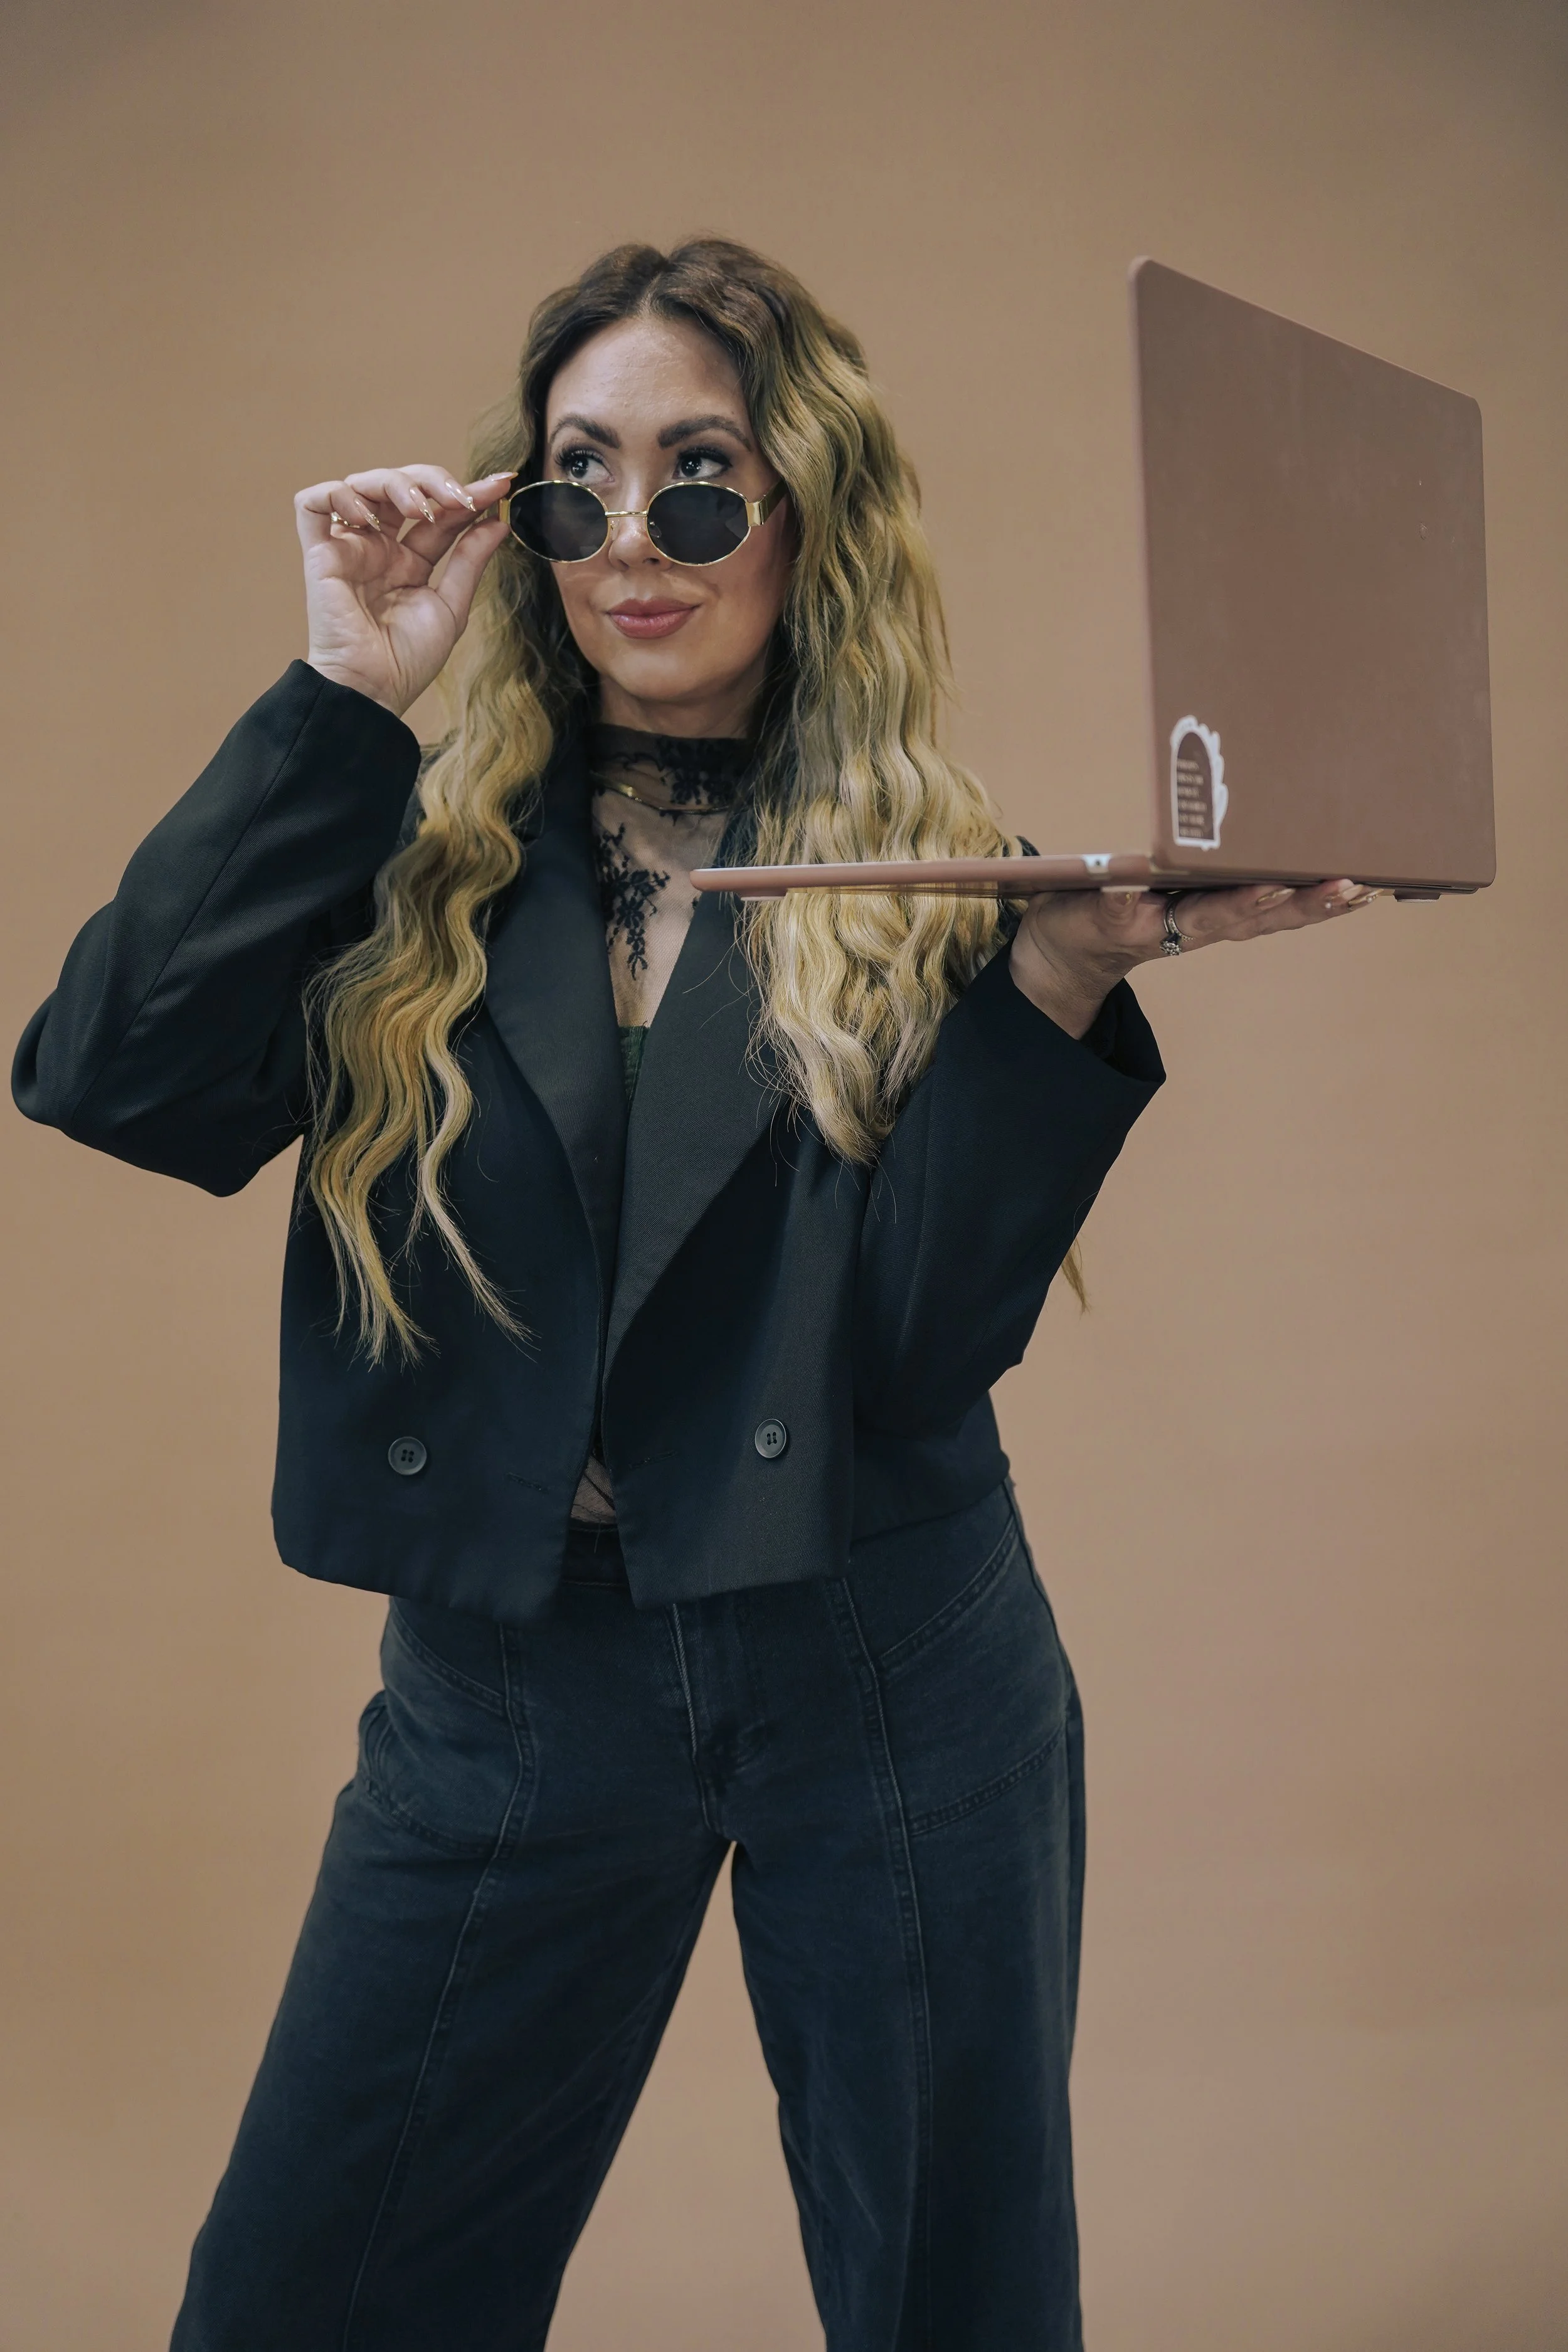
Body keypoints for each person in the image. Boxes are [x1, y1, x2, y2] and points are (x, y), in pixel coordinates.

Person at [12, 238, 1374, 2352]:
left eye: (701, 479)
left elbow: (911, 1355)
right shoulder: (403, 854)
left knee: (950, 2299)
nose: (634, 536)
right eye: (576, 480)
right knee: (311, 2297)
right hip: (514, 1677)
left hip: (885, 1655)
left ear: (805, 515)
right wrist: (344, 692)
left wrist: (1049, 980)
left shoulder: (933, 875)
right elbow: (111, 1075)